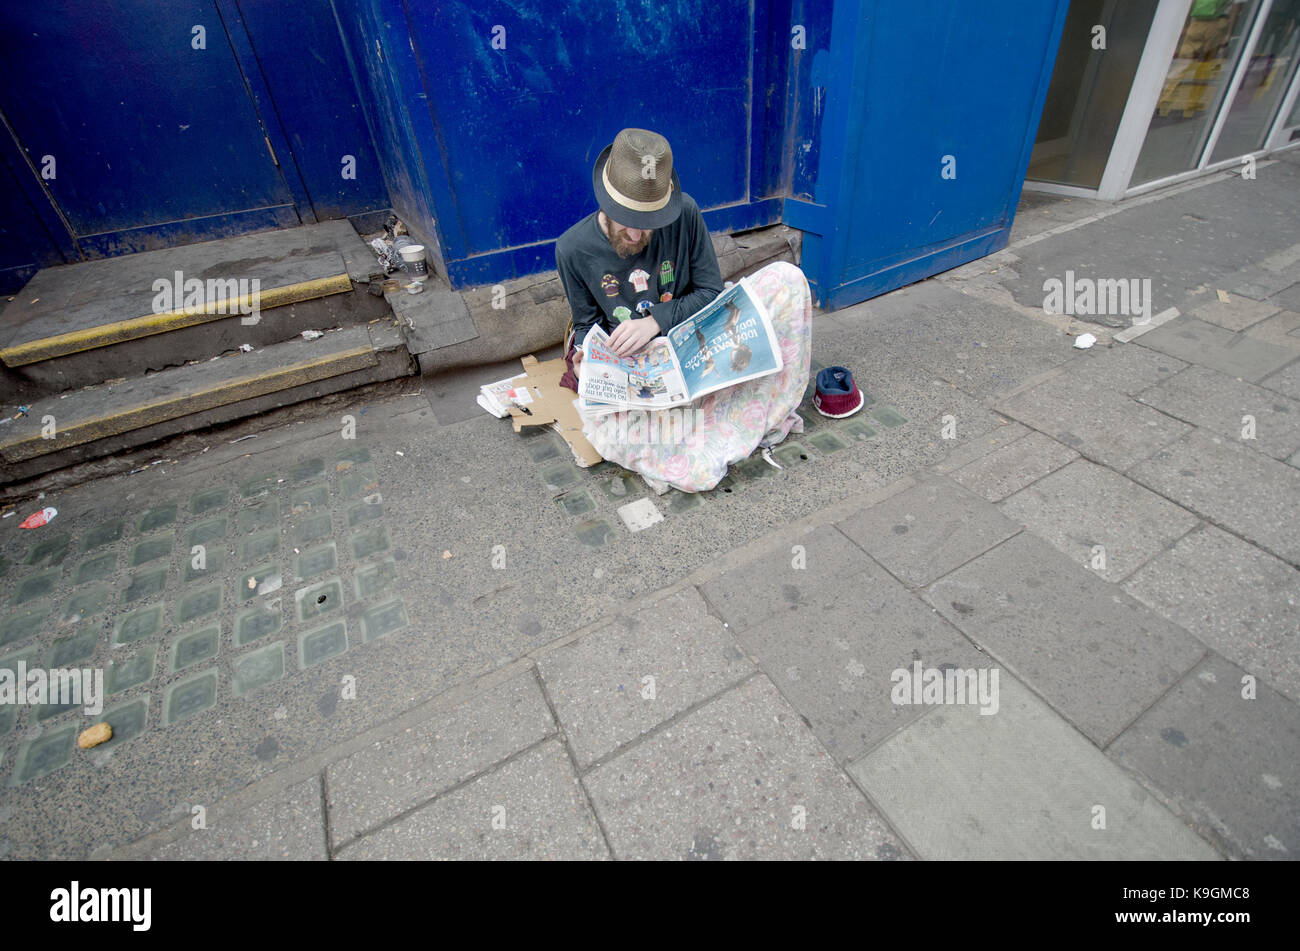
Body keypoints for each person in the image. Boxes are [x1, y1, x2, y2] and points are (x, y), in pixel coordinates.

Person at [553, 127, 813, 492]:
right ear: (605, 204)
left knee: (786, 279)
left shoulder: (685, 213)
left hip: (695, 335)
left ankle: (716, 411)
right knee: (618, 435)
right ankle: (710, 416)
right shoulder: (571, 249)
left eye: (649, 225)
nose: (636, 235)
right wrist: (585, 357)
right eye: (628, 221)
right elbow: (585, 325)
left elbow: (709, 291)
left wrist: (654, 322)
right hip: (637, 364)